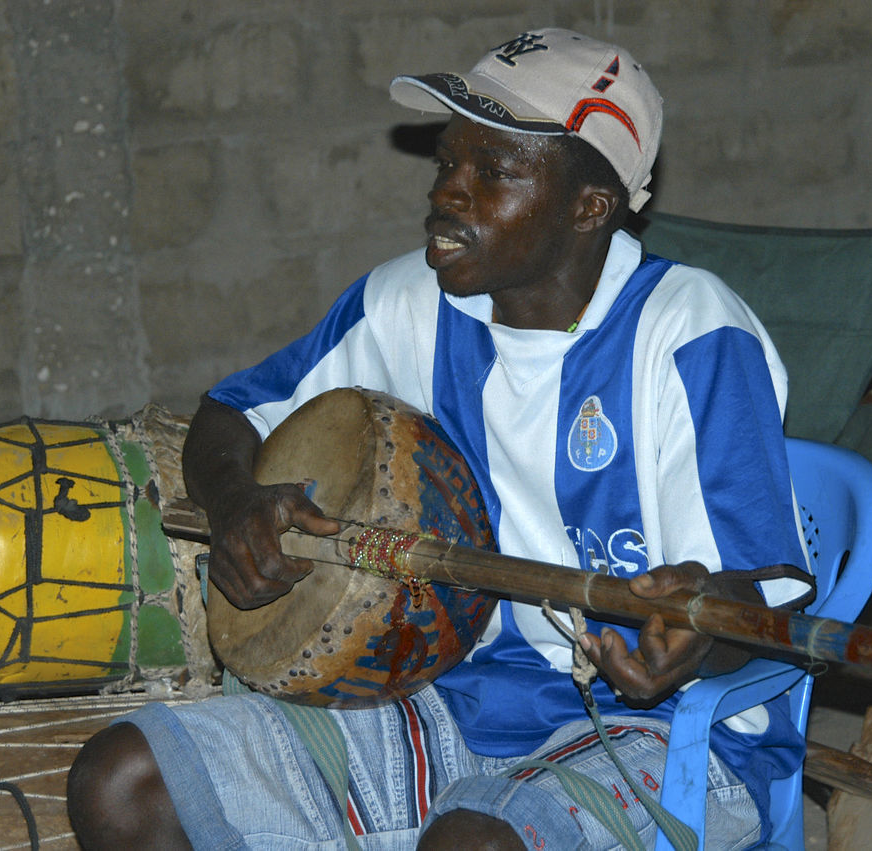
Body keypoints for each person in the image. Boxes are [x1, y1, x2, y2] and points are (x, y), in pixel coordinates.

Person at [67, 28, 815, 850]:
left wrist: (701, 635)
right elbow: (231, 415)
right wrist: (237, 498)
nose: (449, 194)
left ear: (589, 207)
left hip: (676, 740)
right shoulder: (407, 303)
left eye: (494, 172)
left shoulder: (691, 333)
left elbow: (761, 603)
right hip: (459, 698)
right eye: (447, 164)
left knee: (469, 842)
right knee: (125, 780)